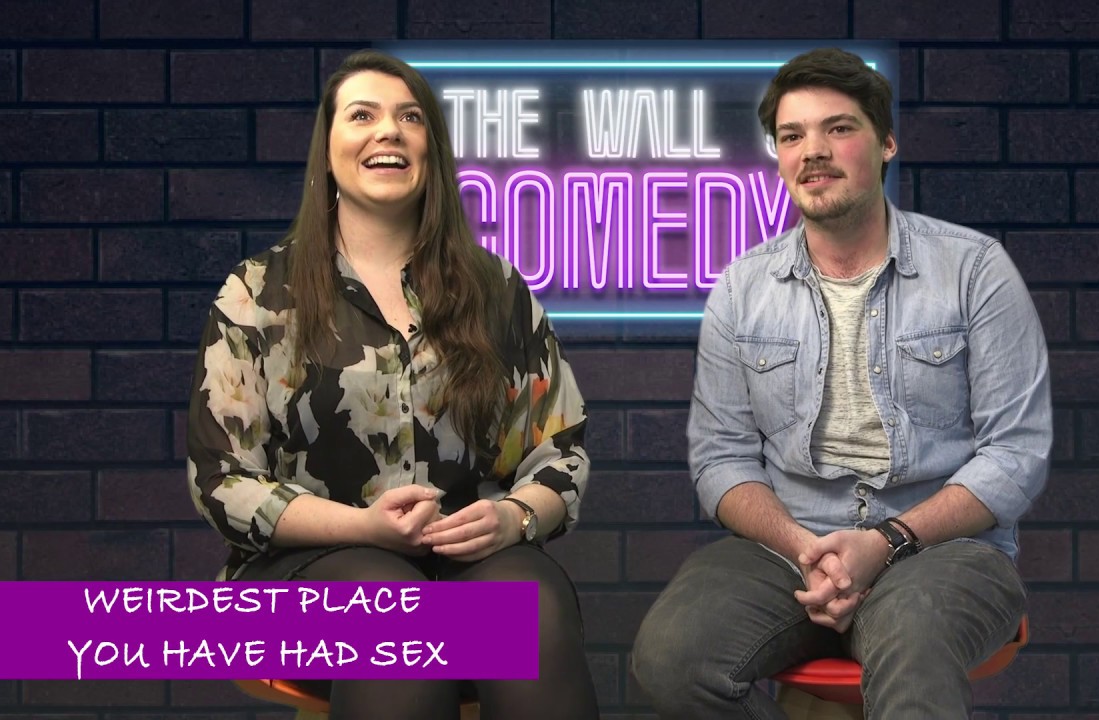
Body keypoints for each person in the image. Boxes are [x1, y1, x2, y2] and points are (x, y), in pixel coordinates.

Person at [631, 47, 1052, 719]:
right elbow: (721, 459)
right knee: (670, 657)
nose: (813, 152)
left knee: (914, 652)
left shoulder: (975, 270)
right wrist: (806, 549)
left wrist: (885, 543)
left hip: (943, 552)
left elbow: (1016, 454)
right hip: (789, 551)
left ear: (886, 144)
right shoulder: (742, 288)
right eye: (792, 136)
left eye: (839, 128)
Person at [186, 49, 598, 720]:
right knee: (395, 614)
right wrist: (364, 528)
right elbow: (222, 480)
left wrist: (514, 517)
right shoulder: (258, 293)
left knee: (532, 608)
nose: (389, 131)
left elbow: (561, 454)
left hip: (468, 558)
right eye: (363, 115)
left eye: (410, 118)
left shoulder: (498, 290)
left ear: (430, 151)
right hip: (302, 570)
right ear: (327, 153)